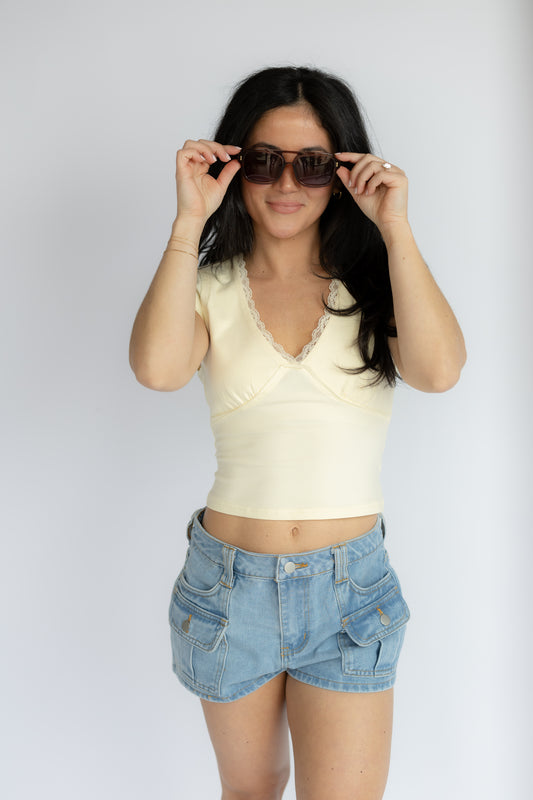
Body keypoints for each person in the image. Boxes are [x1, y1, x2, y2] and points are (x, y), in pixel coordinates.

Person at [129, 66, 466, 800]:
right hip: (227, 589)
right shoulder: (209, 286)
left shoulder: (374, 287)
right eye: (261, 161)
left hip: (350, 593)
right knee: (250, 792)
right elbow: (156, 370)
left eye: (312, 164)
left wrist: (394, 224)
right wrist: (188, 222)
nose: (286, 183)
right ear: (230, 166)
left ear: (344, 169)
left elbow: (438, 372)